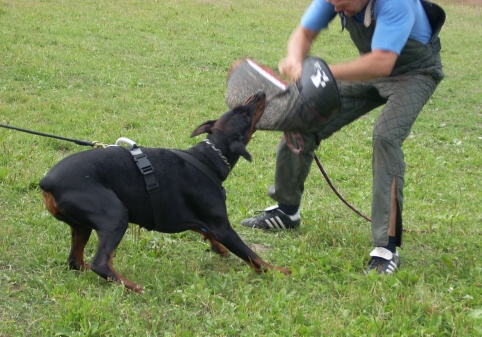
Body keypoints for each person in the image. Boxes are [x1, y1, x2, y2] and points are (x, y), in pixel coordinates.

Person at [240, 0, 445, 274]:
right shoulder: (335, 1)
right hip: (369, 70)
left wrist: (321, 75)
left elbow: (383, 61)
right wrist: (295, 58)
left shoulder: (395, 3)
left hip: (414, 74)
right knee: (303, 116)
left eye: (342, 4)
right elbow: (304, 33)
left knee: (386, 136)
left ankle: (386, 248)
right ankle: (286, 210)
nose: (335, 8)